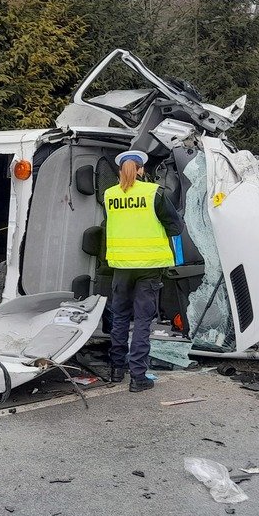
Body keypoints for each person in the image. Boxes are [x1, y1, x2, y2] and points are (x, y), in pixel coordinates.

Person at [102, 150, 183, 392]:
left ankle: (116, 369)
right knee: (142, 321)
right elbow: (176, 227)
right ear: (141, 170)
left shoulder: (109, 195)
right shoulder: (153, 193)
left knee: (119, 317)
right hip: (149, 267)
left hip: (121, 266)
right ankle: (138, 376)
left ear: (120, 171)